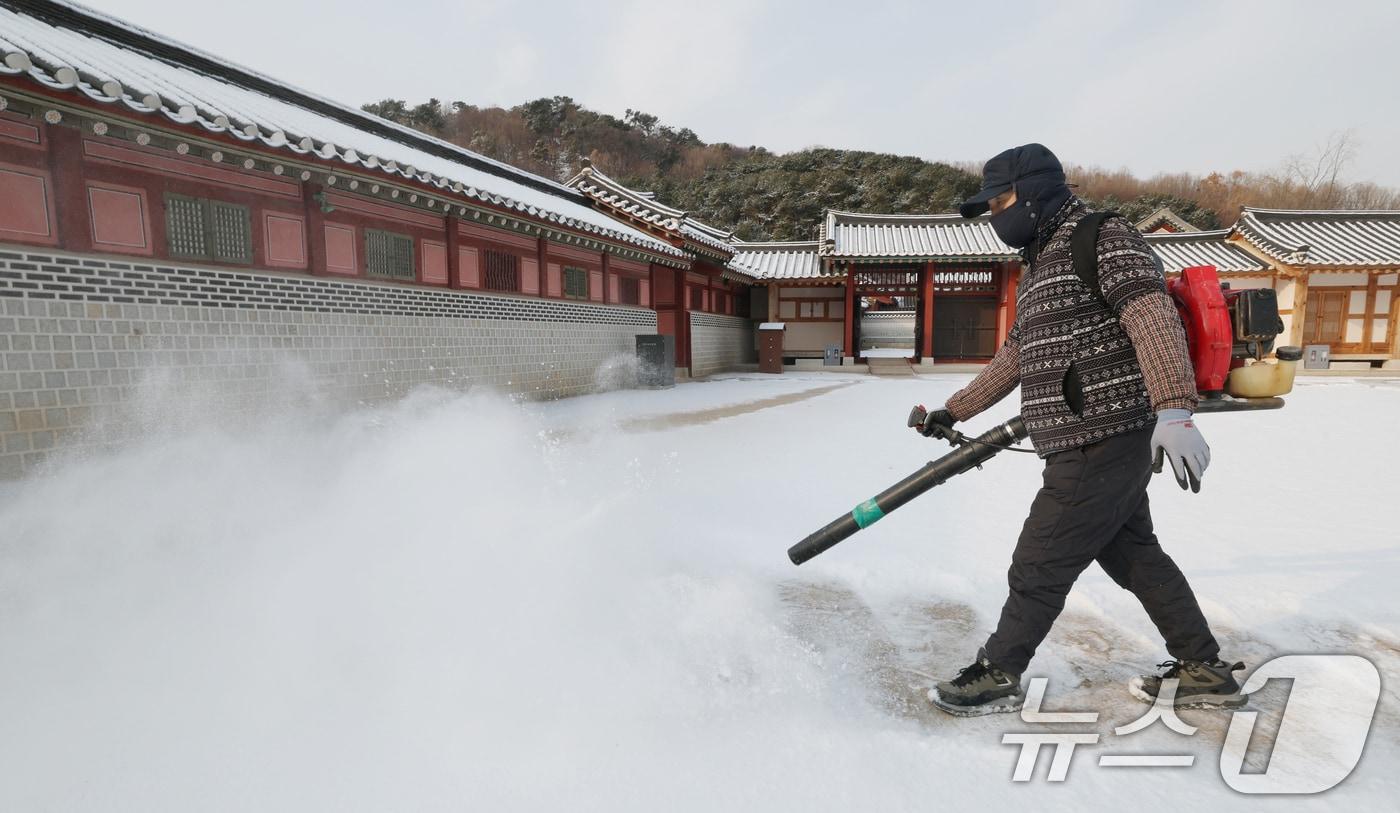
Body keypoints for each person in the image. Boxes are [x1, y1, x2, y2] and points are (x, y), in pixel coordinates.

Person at [919, 143, 1244, 716]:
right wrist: (955, 409)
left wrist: (1175, 408)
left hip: (1104, 434)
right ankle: (1204, 668)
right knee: (1135, 556)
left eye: (1002, 200)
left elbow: (1152, 316)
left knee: (1040, 559)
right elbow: (1018, 354)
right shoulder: (1042, 263)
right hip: (1079, 438)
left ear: (1037, 190)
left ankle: (998, 671)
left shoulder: (1103, 237)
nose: (996, 215)